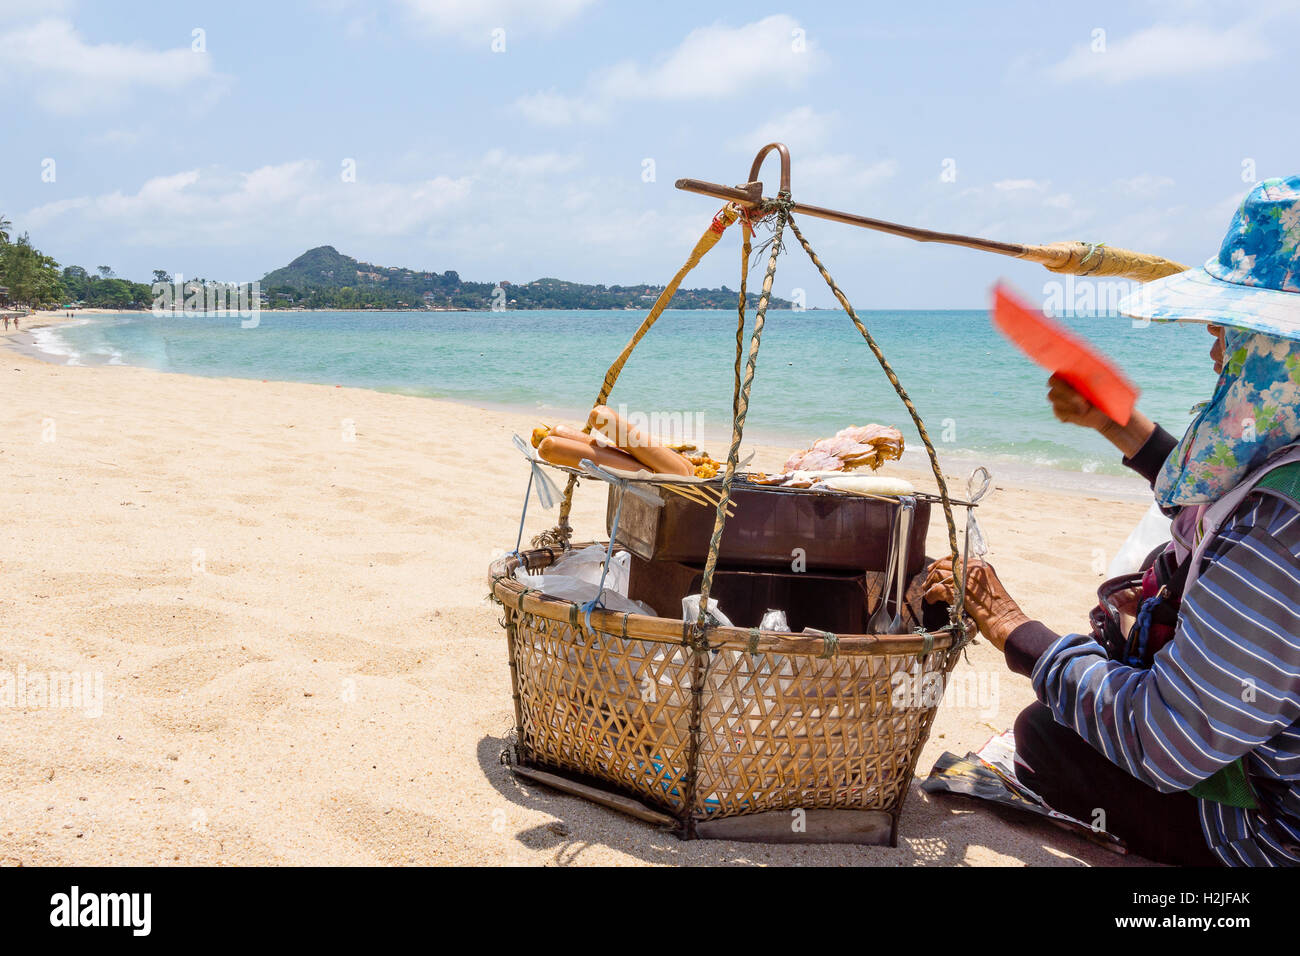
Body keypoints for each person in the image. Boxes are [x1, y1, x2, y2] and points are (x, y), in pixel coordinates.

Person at [925, 175, 1300, 866]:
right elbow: (1221, 503)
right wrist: (1115, 423)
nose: (1214, 345)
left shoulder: (1278, 530)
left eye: (1233, 330)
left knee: (1048, 731)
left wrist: (1017, 633)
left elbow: (1170, 741)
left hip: (1276, 836)